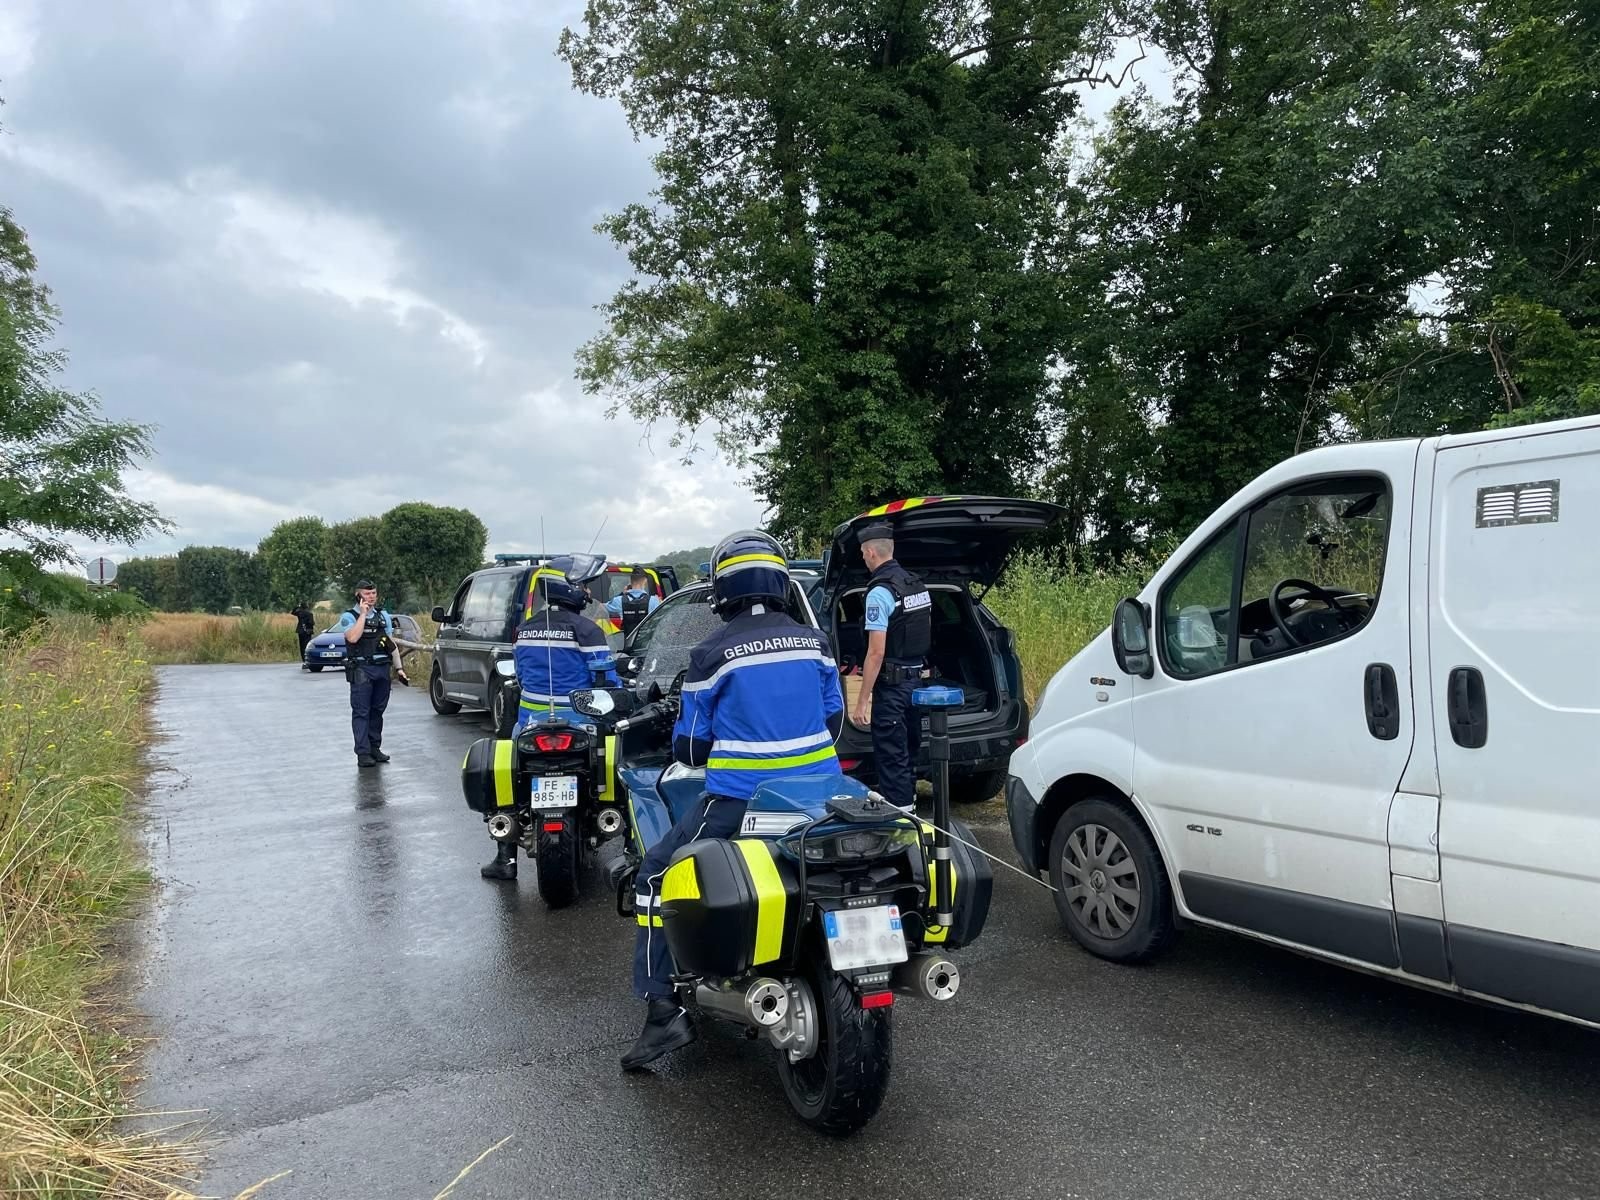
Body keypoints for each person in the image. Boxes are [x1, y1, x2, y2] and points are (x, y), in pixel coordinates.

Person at [623, 531, 844, 1071]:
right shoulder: (816, 644)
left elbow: (691, 747)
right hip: (823, 798)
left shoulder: (710, 654)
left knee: (654, 873)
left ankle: (663, 1011)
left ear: (723, 589)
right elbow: (835, 722)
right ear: (778, 581)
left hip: (738, 801)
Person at [481, 567, 618, 881]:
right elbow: (605, 679)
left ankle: (505, 857)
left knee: (509, 770)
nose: (586, 592)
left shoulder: (525, 628)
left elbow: (520, 675)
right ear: (569, 591)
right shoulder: (587, 630)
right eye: (582, 587)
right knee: (614, 759)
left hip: (531, 722)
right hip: (580, 721)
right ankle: (629, 844)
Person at [849, 522, 931, 812]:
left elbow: (876, 652)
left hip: (893, 689)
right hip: (916, 684)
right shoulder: (916, 585)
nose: (862, 558)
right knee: (908, 752)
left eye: (862, 553)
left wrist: (861, 702)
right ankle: (911, 805)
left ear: (871, 552)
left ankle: (901, 821)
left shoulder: (879, 593)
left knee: (892, 758)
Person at [338, 582, 409, 768]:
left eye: (373, 593)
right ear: (358, 595)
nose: (371, 596)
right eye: (367, 593)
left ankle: (374, 748)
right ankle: (363, 753)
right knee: (362, 712)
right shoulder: (349, 616)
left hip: (382, 668)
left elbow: (390, 643)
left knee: (378, 710)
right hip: (361, 669)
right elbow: (352, 637)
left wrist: (399, 668)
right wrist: (363, 614)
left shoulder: (382, 615)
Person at [605, 569, 660, 642]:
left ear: (630, 581)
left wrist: (622, 594)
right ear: (645, 581)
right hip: (645, 644)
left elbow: (601, 607)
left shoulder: (618, 600)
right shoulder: (654, 601)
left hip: (627, 643)